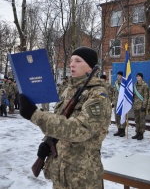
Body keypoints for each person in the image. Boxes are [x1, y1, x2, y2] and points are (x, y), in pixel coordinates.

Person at [19, 46, 112, 189]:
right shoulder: (68, 90)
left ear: (90, 67)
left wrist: (36, 115)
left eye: (78, 61)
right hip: (61, 173)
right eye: (71, 60)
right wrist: (48, 142)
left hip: (82, 177)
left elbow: (80, 129)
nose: (72, 64)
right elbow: (60, 119)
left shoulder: (98, 95)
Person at [132, 72, 149, 140]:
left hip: (141, 106)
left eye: (139, 76)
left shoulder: (145, 85)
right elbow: (133, 94)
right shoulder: (135, 85)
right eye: (137, 76)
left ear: (142, 77)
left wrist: (144, 106)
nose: (138, 77)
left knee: (142, 120)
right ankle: (137, 132)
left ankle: (141, 133)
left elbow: (146, 96)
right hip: (136, 105)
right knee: (137, 120)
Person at [112, 71, 126, 137]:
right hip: (116, 102)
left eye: (120, 75)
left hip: (122, 102)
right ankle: (119, 129)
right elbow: (114, 93)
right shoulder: (115, 83)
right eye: (118, 75)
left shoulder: (124, 83)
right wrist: (113, 102)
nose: (118, 76)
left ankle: (123, 130)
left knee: (122, 116)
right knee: (117, 116)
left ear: (122, 76)